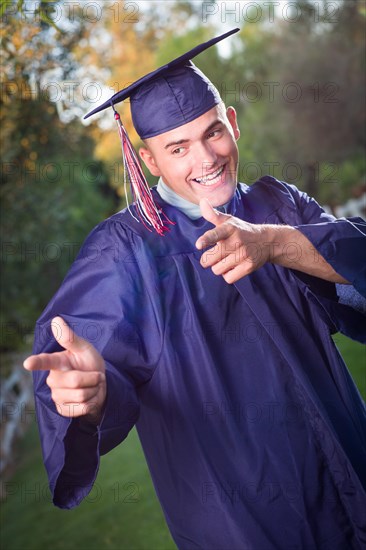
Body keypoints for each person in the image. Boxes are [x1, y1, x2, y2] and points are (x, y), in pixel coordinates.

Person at [24, 29, 366, 549]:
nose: (205, 159)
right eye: (177, 147)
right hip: (243, 520)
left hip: (348, 475)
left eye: (212, 133)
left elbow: (357, 269)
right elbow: (82, 364)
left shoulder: (278, 206)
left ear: (231, 122)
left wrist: (275, 244)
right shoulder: (124, 251)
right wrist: (88, 395)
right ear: (150, 162)